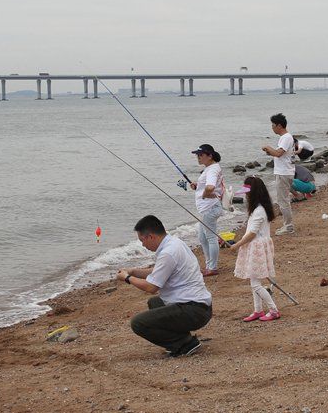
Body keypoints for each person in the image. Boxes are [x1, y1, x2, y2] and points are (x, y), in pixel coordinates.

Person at [118, 215, 213, 357]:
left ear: (151, 236)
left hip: (195, 310)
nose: (143, 245)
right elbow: (158, 272)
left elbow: (151, 287)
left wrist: (127, 278)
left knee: (138, 323)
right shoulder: (174, 243)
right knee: (155, 302)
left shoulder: (168, 252)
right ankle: (182, 339)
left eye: (142, 240)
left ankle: (184, 343)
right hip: (199, 306)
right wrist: (134, 271)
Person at [226, 177, 280, 322]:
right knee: (253, 280)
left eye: (247, 192)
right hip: (256, 245)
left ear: (254, 192)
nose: (245, 195)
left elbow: (252, 233)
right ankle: (258, 310)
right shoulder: (259, 208)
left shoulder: (259, 211)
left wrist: (237, 245)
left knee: (256, 283)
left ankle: (273, 310)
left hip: (256, 247)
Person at [188, 144, 224, 277]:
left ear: (210, 156)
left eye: (201, 155)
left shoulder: (212, 170)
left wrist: (204, 194)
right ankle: (209, 265)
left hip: (210, 208)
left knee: (210, 238)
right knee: (202, 237)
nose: (198, 157)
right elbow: (208, 186)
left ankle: (213, 267)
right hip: (208, 208)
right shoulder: (210, 168)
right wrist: (198, 187)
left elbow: (210, 187)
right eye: (197, 155)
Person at [261, 113, 295, 235]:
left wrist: (268, 148)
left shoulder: (286, 137)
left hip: (284, 172)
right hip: (285, 171)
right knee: (284, 200)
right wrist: (271, 152)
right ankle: (287, 225)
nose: (272, 127)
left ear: (279, 126)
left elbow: (279, 153)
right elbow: (280, 154)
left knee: (283, 201)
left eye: (273, 125)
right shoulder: (286, 137)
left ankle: (289, 226)